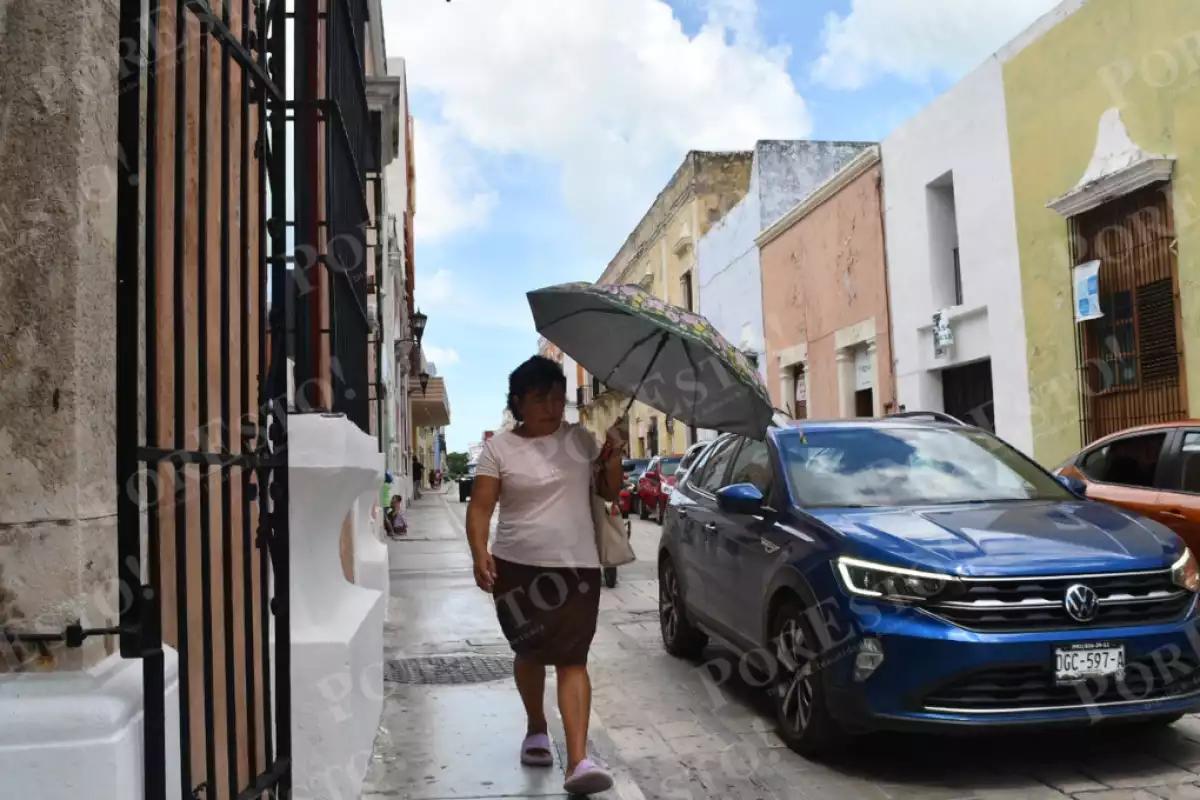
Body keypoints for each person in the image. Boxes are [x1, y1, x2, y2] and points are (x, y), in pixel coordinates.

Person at [466, 355, 622, 796]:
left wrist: (612, 459)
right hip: (517, 568)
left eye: (557, 398)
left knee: (573, 657)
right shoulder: (499, 449)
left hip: (577, 568)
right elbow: (481, 507)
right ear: (518, 402)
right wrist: (479, 552)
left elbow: (609, 491)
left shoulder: (579, 439)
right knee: (530, 651)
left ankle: (578, 761)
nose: (552, 407)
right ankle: (536, 725)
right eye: (540, 399)